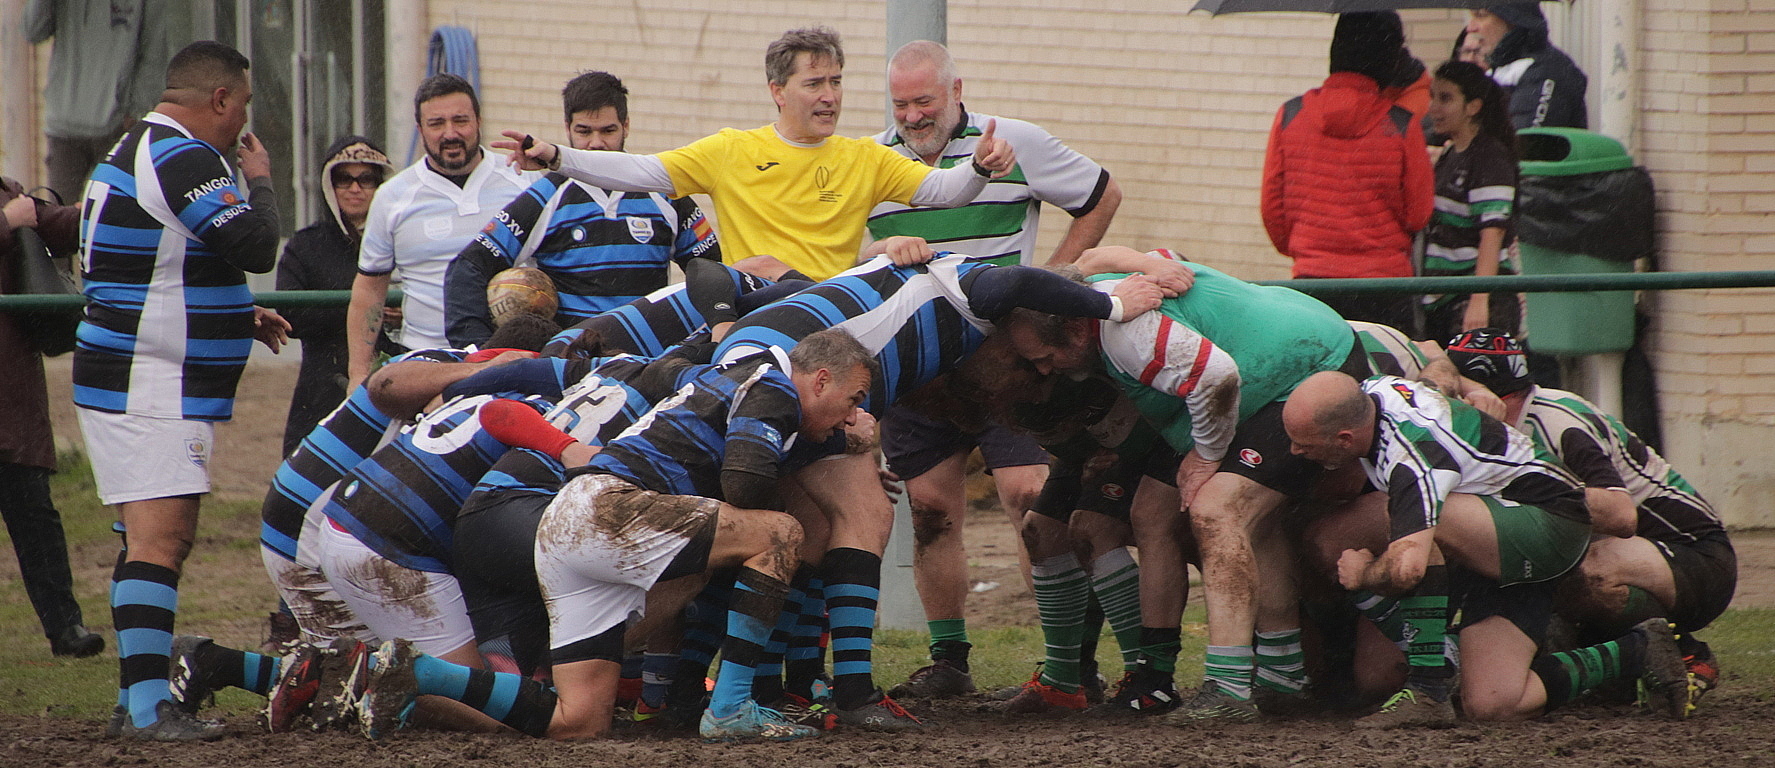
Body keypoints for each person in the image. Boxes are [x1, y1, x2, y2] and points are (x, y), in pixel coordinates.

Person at [345, 328, 877, 743]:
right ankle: (733, 706)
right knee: (780, 532)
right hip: (608, 511)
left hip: (567, 518)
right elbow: (745, 481)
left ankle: (417, 676)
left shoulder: (726, 373)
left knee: (576, 720)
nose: (852, 416)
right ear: (821, 378)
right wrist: (835, 449)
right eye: (853, 400)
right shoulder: (771, 382)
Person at [863, 40, 1123, 696]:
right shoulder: (867, 160)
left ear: (956, 90)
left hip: (1006, 359)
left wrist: (1048, 280)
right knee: (928, 510)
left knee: (1028, 497)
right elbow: (841, 250)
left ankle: (1067, 662)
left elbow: (1101, 194)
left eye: (925, 100)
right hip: (919, 365)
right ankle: (949, 663)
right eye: (901, 104)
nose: (913, 116)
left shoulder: (1015, 142)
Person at [73, 40, 290, 741]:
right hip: (148, 382)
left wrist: (233, 314)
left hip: (136, 373)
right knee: (161, 541)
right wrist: (259, 178)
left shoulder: (131, 147)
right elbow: (256, 244)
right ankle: (146, 709)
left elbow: (152, 265)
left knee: (147, 539)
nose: (243, 129)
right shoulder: (184, 155)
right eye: (243, 109)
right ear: (220, 100)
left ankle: (134, 697)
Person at [1284, 371, 1691, 725]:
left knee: (1416, 519)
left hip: (1548, 528)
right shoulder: (1375, 391)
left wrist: (1363, 574)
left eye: (1304, 444)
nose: (1295, 453)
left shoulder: (1414, 459)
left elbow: (1408, 569)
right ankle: (1638, 649)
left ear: (1344, 438)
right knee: (1494, 704)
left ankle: (1428, 691)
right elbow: (1435, 361)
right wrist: (1472, 387)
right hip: (1498, 531)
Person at [496, 26, 1016, 281]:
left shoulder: (866, 156)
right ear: (778, 91)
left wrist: (977, 167)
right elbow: (640, 169)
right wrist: (555, 154)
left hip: (835, 318)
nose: (830, 96)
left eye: (836, 81)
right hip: (757, 316)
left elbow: (947, 192)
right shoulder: (732, 150)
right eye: (815, 83)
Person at [1444, 328, 1733, 699]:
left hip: (1694, 554)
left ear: (1500, 398)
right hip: (1625, 552)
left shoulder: (1556, 421)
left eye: (1460, 400)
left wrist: (1519, 485)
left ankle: (1685, 651)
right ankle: (1609, 660)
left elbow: (1620, 515)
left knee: (1580, 571)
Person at [444, 71, 721, 347]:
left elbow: (713, 272)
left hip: (646, 361)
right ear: (567, 128)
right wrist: (476, 349)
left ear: (626, 125)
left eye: (608, 130)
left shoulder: (665, 193)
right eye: (584, 131)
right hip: (568, 361)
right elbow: (469, 267)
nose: (596, 143)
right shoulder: (547, 195)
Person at [345, 73, 534, 391]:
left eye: (460, 120)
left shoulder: (523, 181)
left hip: (513, 359)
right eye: (436, 124)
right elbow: (369, 291)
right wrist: (358, 374)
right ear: (420, 129)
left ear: (479, 121)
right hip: (424, 363)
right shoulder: (393, 196)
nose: (450, 133)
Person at [1261, 11, 1434, 336]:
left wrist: (1310, 248)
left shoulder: (1290, 115)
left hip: (1313, 283)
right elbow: (1418, 214)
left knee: (1320, 378)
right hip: (1383, 287)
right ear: (1389, 58)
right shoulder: (1401, 124)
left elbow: (1273, 209)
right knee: (1387, 379)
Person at [0, 177, 104, 659]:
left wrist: (114, 201)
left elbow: (59, 226)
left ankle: (65, 628)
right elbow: (18, 221)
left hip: (11, 394)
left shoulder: (7, 191)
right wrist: (6, 223)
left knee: (36, 514)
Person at [275, 136, 398, 456]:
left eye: (366, 179)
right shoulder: (305, 246)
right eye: (344, 178)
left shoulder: (405, 241)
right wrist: (367, 306)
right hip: (321, 391)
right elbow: (290, 316)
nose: (355, 188)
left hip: (397, 386)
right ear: (329, 186)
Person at [24, 0, 184, 203]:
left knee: (115, 215)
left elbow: (154, 51)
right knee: (60, 221)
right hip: (63, 128)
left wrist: (136, 112)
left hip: (117, 125)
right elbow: (32, 31)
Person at [1421, 61, 1522, 343]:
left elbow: (1493, 233)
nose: (1433, 108)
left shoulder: (1490, 159)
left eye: (1446, 99)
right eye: (1433, 97)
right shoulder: (1450, 155)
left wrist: (1479, 301)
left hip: (1475, 299)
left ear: (1473, 107)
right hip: (1443, 298)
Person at [1469, 3, 1588, 130]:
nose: (1470, 28)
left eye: (1481, 16)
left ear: (1512, 18)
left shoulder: (1545, 69)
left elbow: (1526, 142)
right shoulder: (1498, 69)